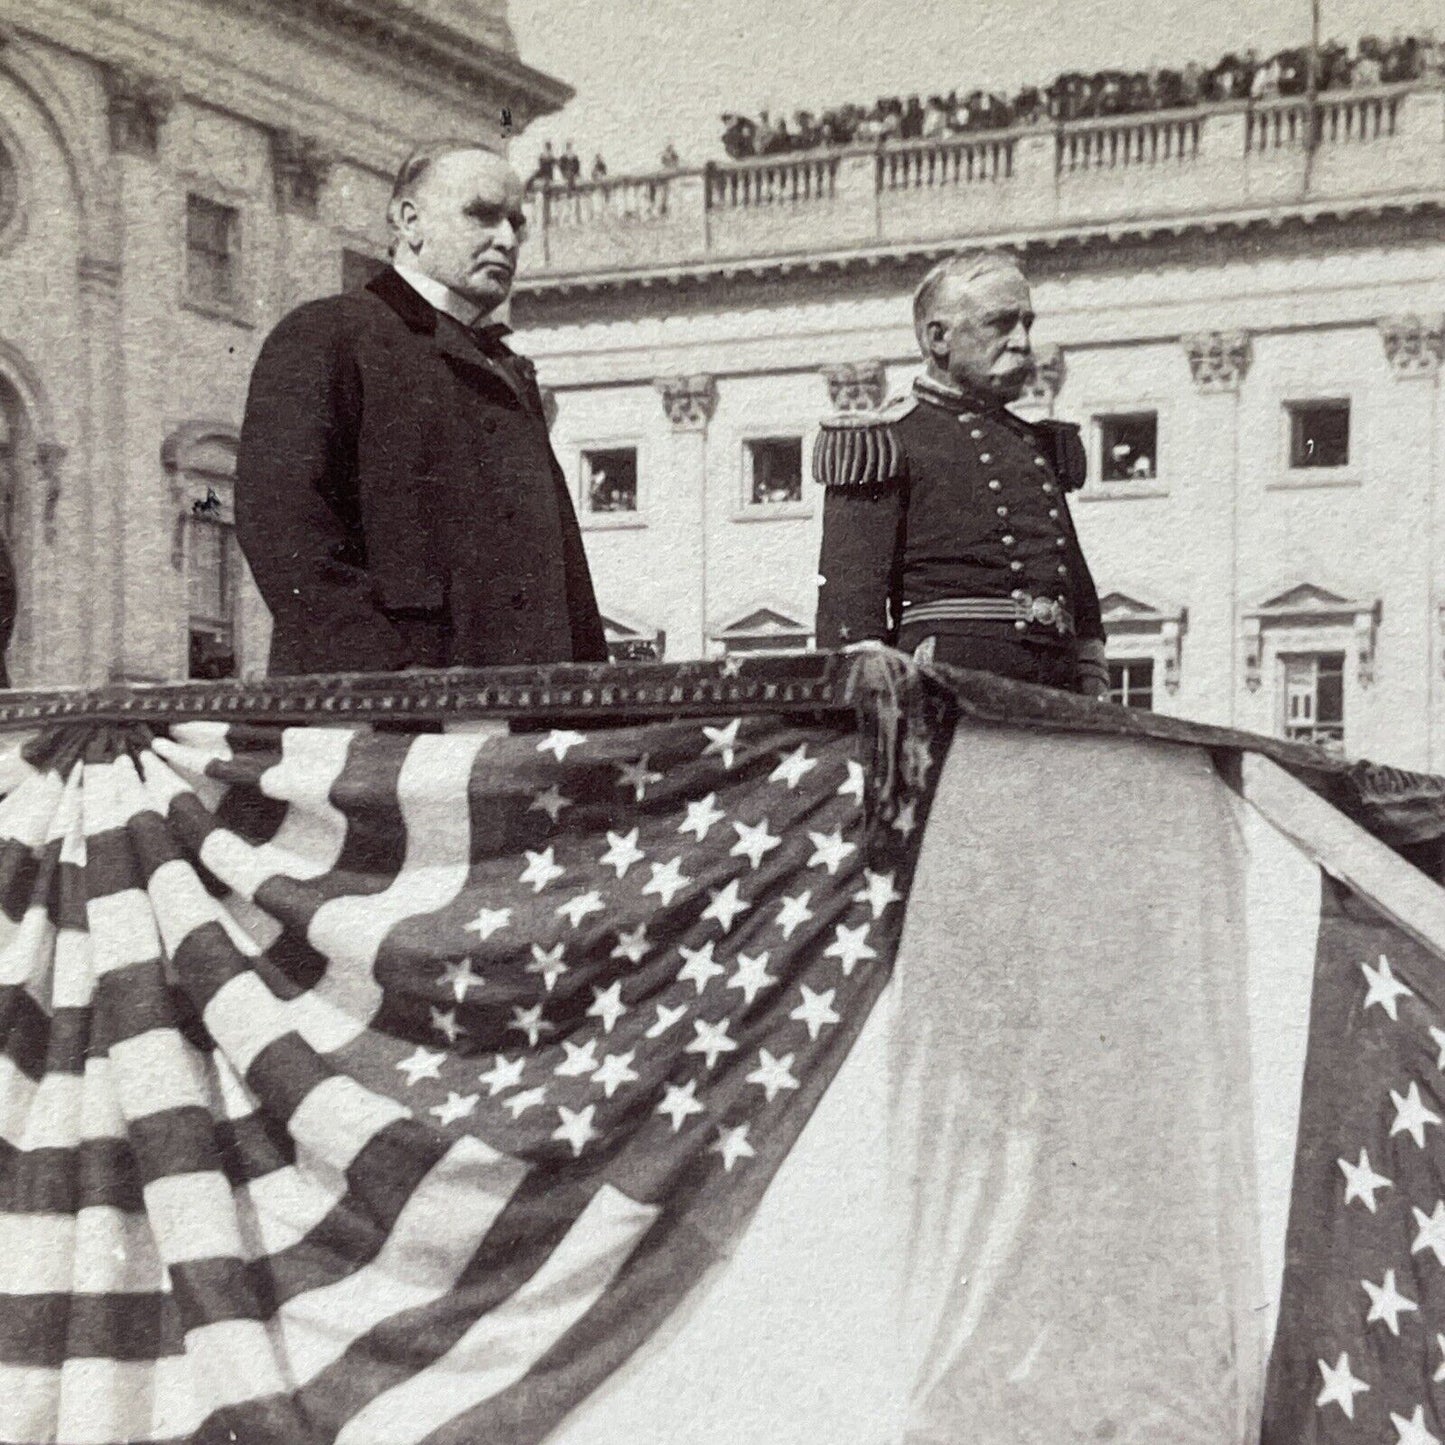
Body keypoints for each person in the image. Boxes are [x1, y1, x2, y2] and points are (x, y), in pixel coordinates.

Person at [235, 142, 607, 676]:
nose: (507, 239)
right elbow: (285, 532)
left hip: (526, 728)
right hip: (389, 724)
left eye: (515, 223)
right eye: (481, 214)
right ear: (411, 221)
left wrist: (593, 711)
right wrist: (394, 683)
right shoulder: (326, 334)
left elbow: (568, 580)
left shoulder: (509, 371)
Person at [813, 250, 1108, 696]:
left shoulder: (1037, 444)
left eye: (1027, 323)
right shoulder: (883, 440)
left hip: (1056, 685)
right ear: (939, 338)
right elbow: (852, 617)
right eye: (1001, 324)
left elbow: (1075, 589)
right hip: (947, 690)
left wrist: (1091, 676)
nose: (1023, 342)